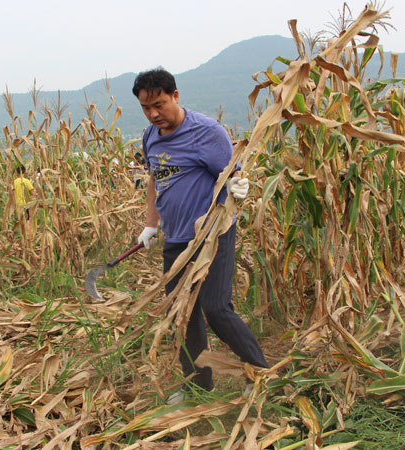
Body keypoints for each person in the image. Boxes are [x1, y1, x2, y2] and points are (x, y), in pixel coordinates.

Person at [132, 68, 268, 404]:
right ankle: (198, 385)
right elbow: (154, 179)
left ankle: (260, 373)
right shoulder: (151, 136)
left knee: (216, 308)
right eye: (146, 108)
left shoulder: (206, 133)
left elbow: (232, 175)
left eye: (159, 105)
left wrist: (238, 187)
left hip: (212, 233)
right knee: (182, 314)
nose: (153, 114)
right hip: (177, 239)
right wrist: (151, 224)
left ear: (175, 96)